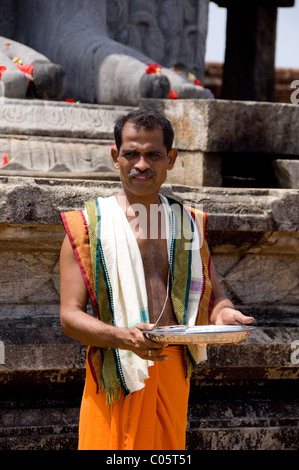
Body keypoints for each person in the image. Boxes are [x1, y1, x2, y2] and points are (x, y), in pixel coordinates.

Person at [59, 108, 254, 450]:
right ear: (115, 157)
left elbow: (214, 295)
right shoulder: (88, 226)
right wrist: (123, 337)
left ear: (172, 159)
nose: (141, 164)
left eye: (153, 154)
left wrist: (224, 314)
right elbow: (69, 318)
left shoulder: (188, 224)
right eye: (131, 153)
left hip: (172, 369)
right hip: (116, 372)